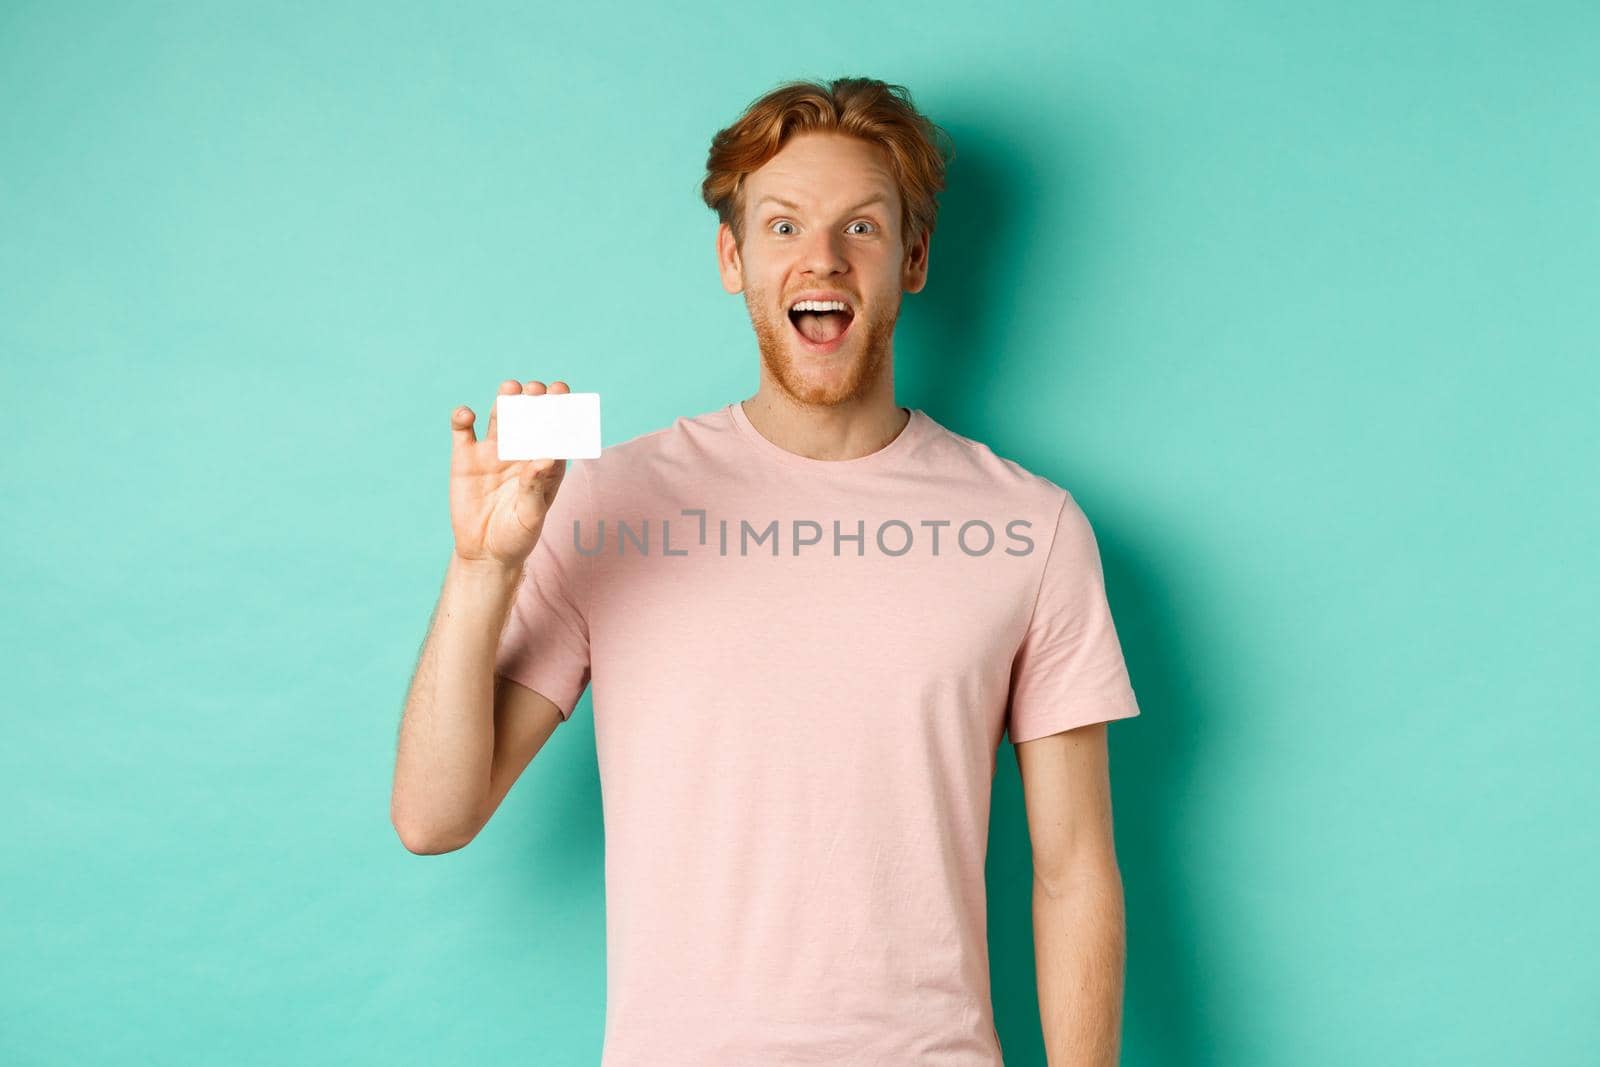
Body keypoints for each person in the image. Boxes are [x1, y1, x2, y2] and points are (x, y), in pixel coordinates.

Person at [392, 76, 1141, 1067]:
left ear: (912, 259)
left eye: (860, 229)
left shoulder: (1028, 526)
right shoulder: (610, 501)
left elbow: (1074, 867)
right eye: (782, 226)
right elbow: (433, 815)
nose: (820, 257)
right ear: (732, 257)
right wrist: (483, 567)